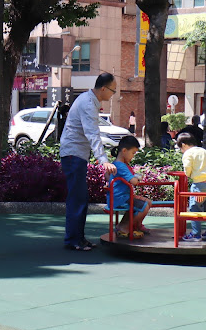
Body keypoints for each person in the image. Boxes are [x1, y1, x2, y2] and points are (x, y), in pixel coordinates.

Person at [60, 73, 118, 251]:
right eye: (112, 91)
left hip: (77, 155)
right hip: (73, 155)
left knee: (80, 197)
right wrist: (103, 161)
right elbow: (92, 133)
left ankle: (78, 238)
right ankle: (72, 240)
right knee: (77, 198)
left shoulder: (90, 100)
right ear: (103, 88)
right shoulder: (88, 102)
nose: (112, 94)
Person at [106, 136, 153, 238]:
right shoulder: (121, 165)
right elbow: (134, 181)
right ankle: (125, 227)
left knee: (147, 202)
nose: (133, 156)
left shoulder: (117, 164)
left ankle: (133, 225)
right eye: (133, 153)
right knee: (144, 206)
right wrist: (138, 177)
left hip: (119, 197)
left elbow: (107, 176)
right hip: (121, 198)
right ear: (124, 151)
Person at [176, 132, 206, 242]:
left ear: (183, 145)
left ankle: (196, 234)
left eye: (180, 148)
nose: (181, 150)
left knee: (195, 209)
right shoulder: (204, 151)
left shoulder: (188, 154)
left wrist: (189, 174)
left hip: (199, 185)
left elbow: (187, 167)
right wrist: (205, 170)